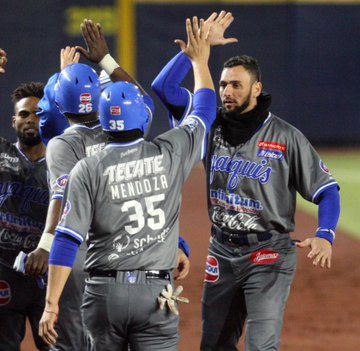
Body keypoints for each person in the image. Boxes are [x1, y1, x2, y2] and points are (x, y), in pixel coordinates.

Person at [151, 11, 341, 351]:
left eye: (236, 85)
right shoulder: (209, 125)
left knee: (260, 344)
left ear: (257, 88)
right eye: (222, 84)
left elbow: (326, 190)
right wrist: (195, 51)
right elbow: (162, 88)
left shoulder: (285, 136)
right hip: (221, 251)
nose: (226, 91)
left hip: (269, 253)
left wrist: (325, 234)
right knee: (214, 344)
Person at [39, 16, 216, 350]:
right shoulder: (170, 151)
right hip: (155, 292)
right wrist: (200, 60)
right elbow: (204, 109)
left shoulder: (85, 167)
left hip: (103, 292)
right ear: (143, 115)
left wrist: (51, 305)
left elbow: (65, 237)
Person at [0, 81, 49, 350]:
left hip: (50, 278)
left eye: (39, 114)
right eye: (24, 114)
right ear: (13, 121)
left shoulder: (63, 159)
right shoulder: (2, 154)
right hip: (4, 273)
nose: (31, 120)